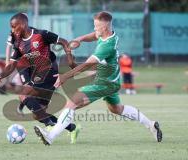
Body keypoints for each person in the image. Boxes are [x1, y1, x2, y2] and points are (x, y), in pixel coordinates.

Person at [33, 11, 163, 145]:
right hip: (112, 80)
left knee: (72, 102)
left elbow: (87, 65)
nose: (94, 29)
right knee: (116, 109)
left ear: (105, 27)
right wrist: (80, 39)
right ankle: (151, 124)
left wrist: (65, 76)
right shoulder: (109, 34)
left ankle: (50, 136)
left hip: (104, 82)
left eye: (96, 26)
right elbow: (95, 35)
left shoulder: (107, 46)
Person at [0, 12, 80, 144]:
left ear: (23, 25)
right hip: (37, 74)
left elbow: (63, 42)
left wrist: (70, 60)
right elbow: (12, 64)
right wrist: (2, 75)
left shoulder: (41, 34)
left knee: (23, 94)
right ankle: (72, 128)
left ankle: (49, 125)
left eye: (14, 27)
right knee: (38, 114)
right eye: (11, 27)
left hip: (49, 71)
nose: (12, 30)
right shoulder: (18, 44)